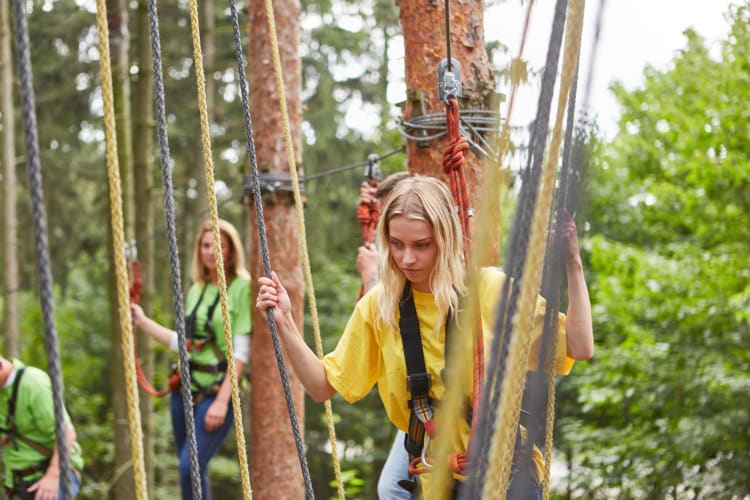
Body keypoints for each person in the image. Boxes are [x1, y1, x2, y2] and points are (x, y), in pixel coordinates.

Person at [257, 175, 593, 498]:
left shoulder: (489, 291)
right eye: (396, 244)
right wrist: (285, 321)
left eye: (422, 245)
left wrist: (573, 264)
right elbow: (321, 385)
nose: (407, 258)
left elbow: (579, 345)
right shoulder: (380, 306)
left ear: (445, 239)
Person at [131, 218, 251, 500]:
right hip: (185, 390)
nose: (212, 252)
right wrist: (143, 322)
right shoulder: (198, 288)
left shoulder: (241, 287)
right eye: (207, 246)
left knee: (190, 467)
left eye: (219, 246)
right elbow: (185, 344)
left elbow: (241, 351)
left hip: (217, 391)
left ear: (231, 251)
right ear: (199, 250)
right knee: (190, 471)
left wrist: (223, 401)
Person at [0, 355, 84, 500]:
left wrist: (52, 475)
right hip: (16, 481)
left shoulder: (32, 383)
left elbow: (66, 432)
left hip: (53, 472)